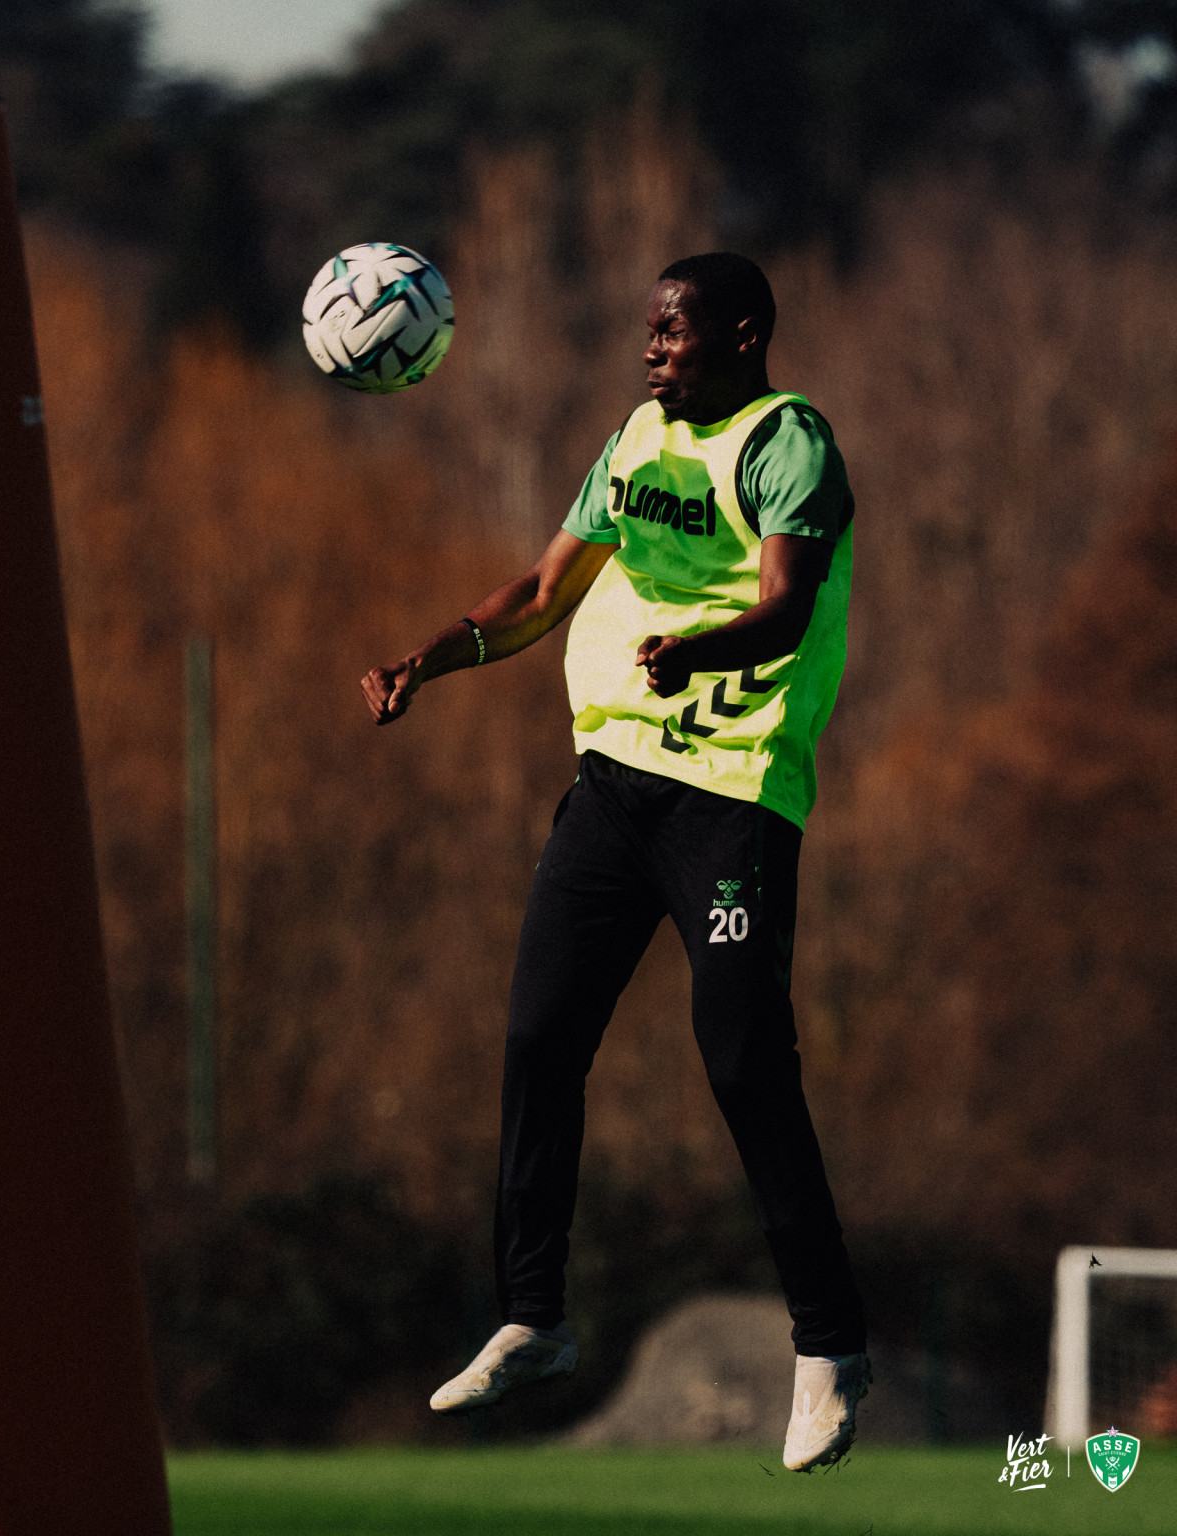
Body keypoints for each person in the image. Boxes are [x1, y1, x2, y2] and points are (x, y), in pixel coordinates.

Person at [361, 252, 868, 1472]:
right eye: (648, 330)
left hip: (732, 798)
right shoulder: (637, 440)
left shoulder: (786, 442)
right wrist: (430, 659)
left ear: (741, 334)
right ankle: (533, 1318)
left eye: (672, 331)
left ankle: (830, 1345)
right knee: (540, 1037)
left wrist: (698, 653)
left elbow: (790, 605)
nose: (650, 349)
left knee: (744, 1060)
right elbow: (545, 590)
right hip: (613, 791)